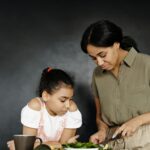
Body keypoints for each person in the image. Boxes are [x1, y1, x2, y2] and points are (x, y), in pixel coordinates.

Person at [80, 19, 150, 149]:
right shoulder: (97, 74)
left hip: (146, 140)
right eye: (94, 58)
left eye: (102, 55)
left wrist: (137, 121)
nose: (99, 63)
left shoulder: (147, 64)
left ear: (116, 44)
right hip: (112, 142)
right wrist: (102, 131)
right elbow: (100, 116)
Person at [7, 67, 82, 150]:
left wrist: (49, 145)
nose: (68, 105)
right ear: (45, 96)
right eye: (63, 100)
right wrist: (52, 145)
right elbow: (28, 146)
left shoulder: (71, 109)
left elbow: (65, 146)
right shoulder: (35, 107)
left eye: (70, 99)